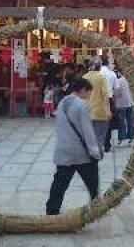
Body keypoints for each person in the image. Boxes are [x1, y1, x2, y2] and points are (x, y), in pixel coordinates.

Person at [46, 78, 101, 215]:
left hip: (63, 150)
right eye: (88, 93)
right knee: (92, 181)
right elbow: (87, 131)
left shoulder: (62, 103)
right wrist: (94, 152)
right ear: (82, 90)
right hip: (80, 153)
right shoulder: (81, 105)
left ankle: (52, 210)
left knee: (59, 183)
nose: (88, 97)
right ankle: (96, 206)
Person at [82, 57, 111, 157]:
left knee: (88, 137)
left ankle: (89, 156)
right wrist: (108, 111)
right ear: (99, 67)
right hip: (100, 113)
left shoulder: (84, 77)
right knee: (99, 137)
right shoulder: (101, 77)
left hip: (86, 112)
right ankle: (96, 157)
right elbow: (105, 96)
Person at [100, 55, 118, 152]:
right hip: (109, 99)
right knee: (108, 123)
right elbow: (117, 90)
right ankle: (107, 144)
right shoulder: (112, 74)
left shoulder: (97, 74)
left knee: (97, 121)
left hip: (98, 100)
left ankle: (99, 142)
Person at [114, 68, 134, 146]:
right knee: (130, 121)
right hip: (130, 103)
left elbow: (118, 93)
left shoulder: (118, 81)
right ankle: (131, 137)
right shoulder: (131, 81)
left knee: (121, 122)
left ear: (120, 73)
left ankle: (121, 138)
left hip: (121, 104)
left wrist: (115, 98)